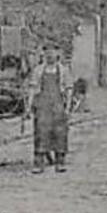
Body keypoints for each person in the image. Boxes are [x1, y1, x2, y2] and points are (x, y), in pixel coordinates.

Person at [24, 44, 72, 174]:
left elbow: (68, 89)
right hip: (42, 105)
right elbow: (32, 89)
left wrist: (67, 107)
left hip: (58, 104)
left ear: (57, 54)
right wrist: (28, 107)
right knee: (41, 131)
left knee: (60, 132)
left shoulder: (63, 70)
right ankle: (38, 163)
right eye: (47, 53)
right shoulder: (38, 70)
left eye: (52, 53)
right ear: (44, 55)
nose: (50, 55)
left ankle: (60, 161)